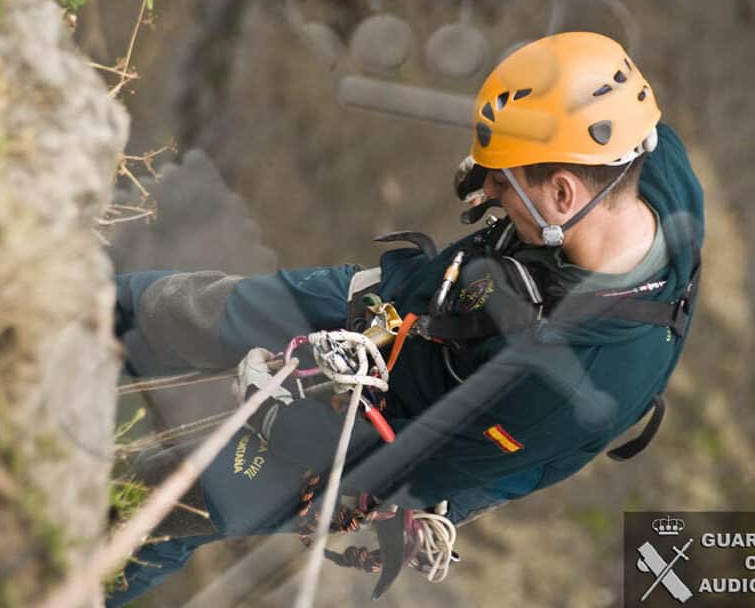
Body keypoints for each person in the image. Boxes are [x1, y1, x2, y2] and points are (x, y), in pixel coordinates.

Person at [110, 31, 703, 606]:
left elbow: (403, 474)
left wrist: (289, 421)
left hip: (400, 433)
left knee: (157, 501)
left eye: (504, 183)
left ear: (565, 195)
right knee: (160, 308)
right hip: (399, 307)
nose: (489, 193)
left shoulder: (563, 385)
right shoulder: (648, 163)